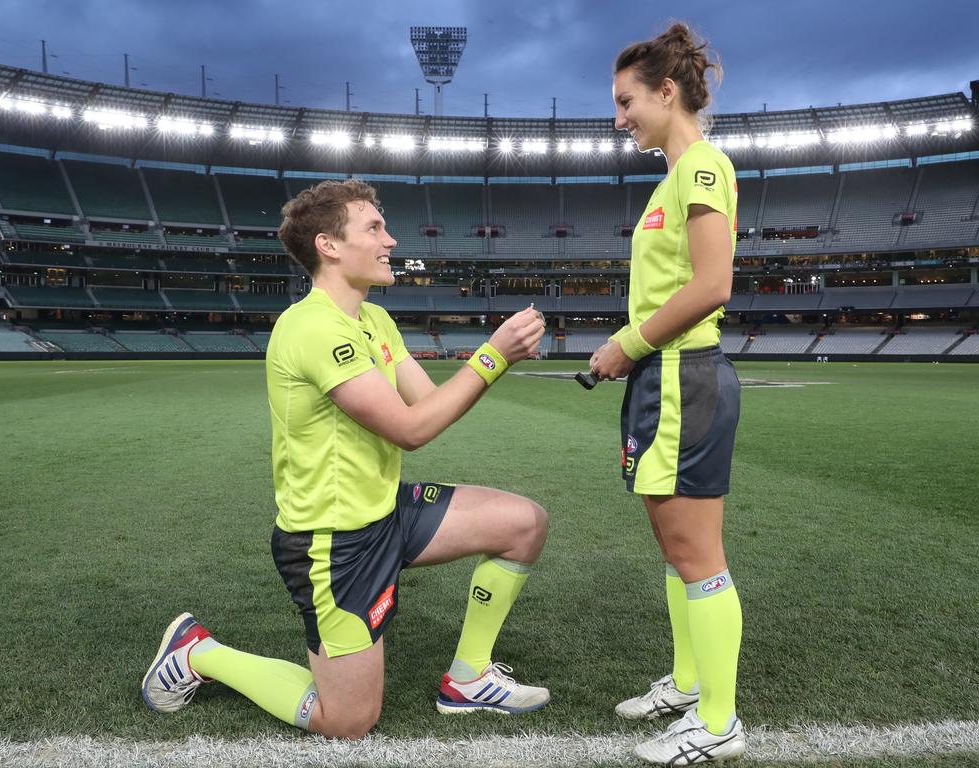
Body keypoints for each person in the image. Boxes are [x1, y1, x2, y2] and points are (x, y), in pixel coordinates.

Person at [141, 180, 550, 739]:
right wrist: (492, 355)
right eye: (374, 228)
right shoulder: (309, 327)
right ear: (328, 244)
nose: (391, 238)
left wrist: (495, 359)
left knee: (523, 524)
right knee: (349, 721)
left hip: (385, 511)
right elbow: (411, 430)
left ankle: (468, 679)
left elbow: (428, 403)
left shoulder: (374, 321)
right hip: (334, 541)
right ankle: (198, 653)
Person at [589, 22, 745, 765]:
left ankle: (718, 723)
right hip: (664, 376)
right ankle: (689, 685)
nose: (619, 118)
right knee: (675, 548)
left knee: (697, 554)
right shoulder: (670, 178)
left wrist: (628, 344)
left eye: (627, 102)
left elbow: (713, 285)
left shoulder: (704, 166)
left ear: (666, 92)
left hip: (685, 373)